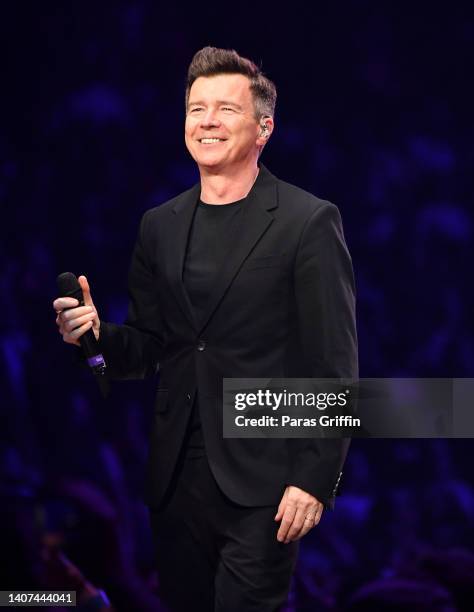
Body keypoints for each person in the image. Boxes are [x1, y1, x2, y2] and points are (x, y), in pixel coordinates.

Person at [53, 47, 358, 612]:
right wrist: (93, 335)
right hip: (176, 482)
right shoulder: (159, 225)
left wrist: (316, 478)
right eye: (197, 109)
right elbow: (150, 349)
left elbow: (333, 365)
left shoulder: (308, 220)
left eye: (225, 108)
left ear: (264, 128)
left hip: (265, 485)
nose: (208, 121)